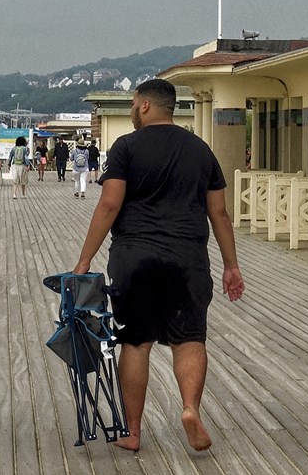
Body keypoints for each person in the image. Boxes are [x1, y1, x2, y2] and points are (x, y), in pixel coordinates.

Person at [69, 77, 244, 452]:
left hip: (135, 257)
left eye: (134, 104)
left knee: (135, 342)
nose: (133, 110)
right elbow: (220, 214)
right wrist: (231, 265)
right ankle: (189, 409)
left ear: (145, 105)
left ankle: (133, 432)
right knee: (190, 338)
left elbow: (110, 204)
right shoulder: (201, 151)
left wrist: (84, 260)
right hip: (188, 258)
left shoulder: (126, 147)